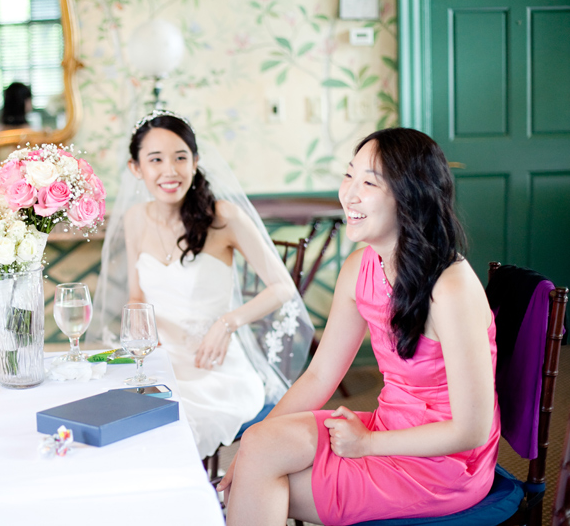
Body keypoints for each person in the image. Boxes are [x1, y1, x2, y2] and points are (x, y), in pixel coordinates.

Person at [218, 128, 500, 524]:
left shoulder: (451, 287)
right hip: (389, 426)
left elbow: (472, 429)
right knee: (258, 443)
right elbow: (319, 374)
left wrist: (369, 443)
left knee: (258, 485)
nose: (349, 194)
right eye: (349, 175)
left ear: (410, 197)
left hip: (443, 464)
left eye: (369, 182)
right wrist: (247, 453)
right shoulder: (359, 268)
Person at [89, 111, 315, 459]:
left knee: (163, 436)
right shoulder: (135, 220)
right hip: (159, 362)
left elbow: (282, 287)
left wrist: (228, 323)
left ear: (195, 161)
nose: (170, 170)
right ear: (136, 168)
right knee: (104, 419)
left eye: (181, 157)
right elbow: (137, 295)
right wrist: (143, 341)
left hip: (216, 373)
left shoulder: (223, 217)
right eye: (155, 159)